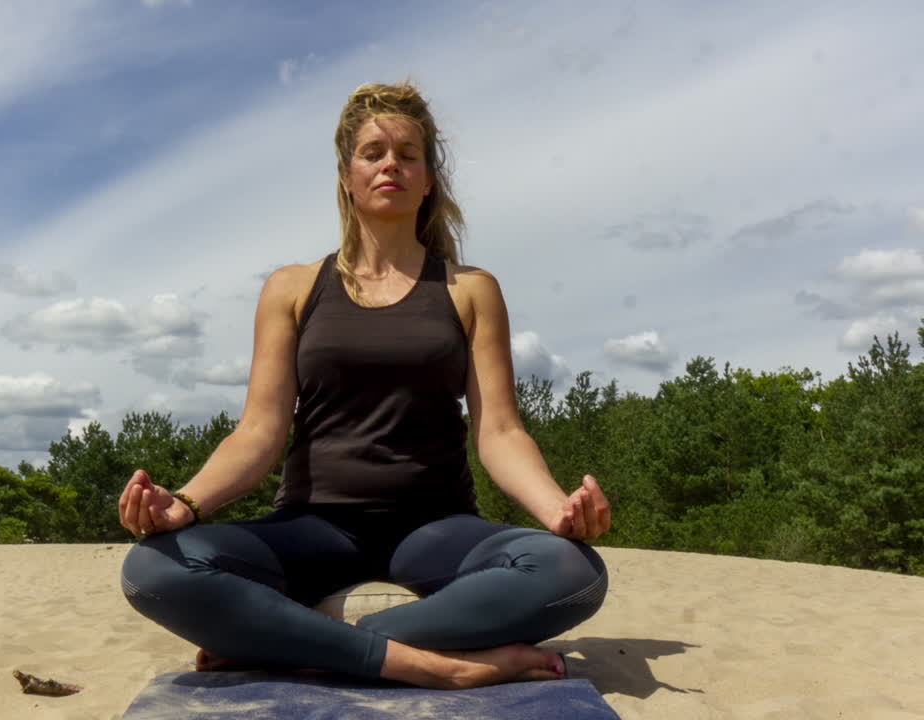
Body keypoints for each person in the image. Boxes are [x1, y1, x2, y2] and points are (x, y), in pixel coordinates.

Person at [118, 82, 611, 690]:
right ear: (347, 175)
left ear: (429, 178)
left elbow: (500, 430)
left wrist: (556, 511)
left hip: (437, 529)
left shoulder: (471, 289)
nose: (391, 165)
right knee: (154, 569)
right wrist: (186, 504)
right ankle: (432, 666)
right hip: (312, 527)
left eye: (408, 154)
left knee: (573, 571)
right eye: (373, 152)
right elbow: (260, 430)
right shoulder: (292, 288)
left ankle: (288, 648)